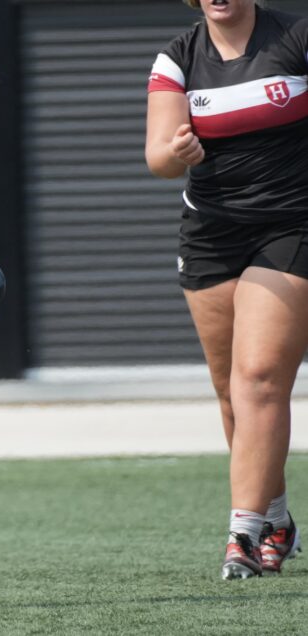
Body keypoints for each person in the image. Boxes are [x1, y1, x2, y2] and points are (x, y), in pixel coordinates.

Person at [146, 0, 308, 579]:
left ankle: (241, 533)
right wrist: (176, 152)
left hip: (293, 224)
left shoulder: (295, 33)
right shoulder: (179, 56)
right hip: (212, 231)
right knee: (229, 389)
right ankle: (277, 518)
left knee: (260, 376)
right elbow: (158, 157)